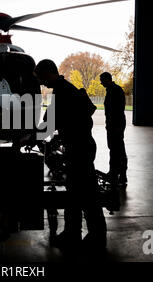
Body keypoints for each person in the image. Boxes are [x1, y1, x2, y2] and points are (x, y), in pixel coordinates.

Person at [34, 59, 107, 251]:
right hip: (80, 147)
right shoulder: (64, 88)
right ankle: (75, 233)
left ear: (49, 73)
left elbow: (50, 120)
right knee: (77, 193)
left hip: (79, 149)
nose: (42, 83)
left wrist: (31, 137)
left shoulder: (63, 91)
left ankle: (91, 236)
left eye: (41, 78)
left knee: (85, 194)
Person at [100, 72, 128, 187]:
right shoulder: (112, 90)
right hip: (114, 125)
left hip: (116, 125)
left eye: (102, 80)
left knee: (118, 149)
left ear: (107, 79)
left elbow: (117, 110)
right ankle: (115, 172)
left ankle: (120, 174)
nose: (101, 83)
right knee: (115, 149)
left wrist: (115, 127)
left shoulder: (115, 90)